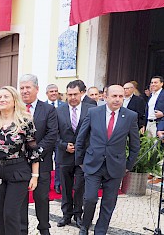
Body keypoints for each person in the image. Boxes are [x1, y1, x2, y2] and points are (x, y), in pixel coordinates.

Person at [75, 85, 139, 235]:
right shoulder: (93, 112)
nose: (117, 99)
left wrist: (128, 166)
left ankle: (100, 231)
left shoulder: (130, 116)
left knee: (109, 203)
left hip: (116, 166)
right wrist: (80, 162)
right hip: (93, 164)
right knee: (90, 199)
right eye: (114, 96)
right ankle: (85, 226)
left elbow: (135, 145)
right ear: (105, 96)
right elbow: (81, 138)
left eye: (121, 96)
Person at [0, 86, 42, 235]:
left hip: (18, 170)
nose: (2, 99)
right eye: (0, 97)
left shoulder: (25, 122)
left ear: (14, 100)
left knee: (11, 214)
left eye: (6, 96)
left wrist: (35, 175)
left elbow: (33, 149)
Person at [19, 74, 58, 235]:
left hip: (42, 162)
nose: (24, 91)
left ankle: (44, 228)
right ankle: (22, 230)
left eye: (28, 87)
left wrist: (35, 153)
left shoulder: (48, 109)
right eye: (21, 88)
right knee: (21, 199)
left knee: (41, 198)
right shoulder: (16, 109)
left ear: (37, 89)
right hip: (19, 164)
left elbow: (52, 134)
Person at [56, 80, 96, 229]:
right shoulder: (59, 110)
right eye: (69, 94)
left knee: (79, 186)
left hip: (83, 156)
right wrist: (63, 145)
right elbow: (54, 133)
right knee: (66, 187)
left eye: (75, 94)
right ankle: (66, 215)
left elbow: (94, 132)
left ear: (82, 93)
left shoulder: (91, 109)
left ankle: (78, 214)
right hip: (64, 155)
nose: (72, 97)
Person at [45, 83, 65, 194]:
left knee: (58, 162)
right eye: (51, 91)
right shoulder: (42, 106)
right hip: (47, 138)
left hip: (59, 138)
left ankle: (57, 184)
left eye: (55, 91)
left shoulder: (63, 105)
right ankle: (46, 183)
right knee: (46, 161)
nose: (54, 93)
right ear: (47, 93)